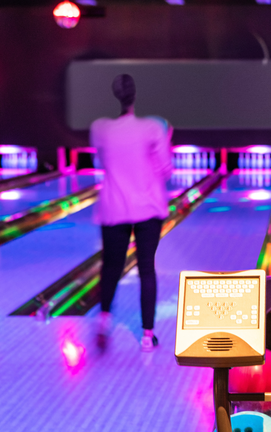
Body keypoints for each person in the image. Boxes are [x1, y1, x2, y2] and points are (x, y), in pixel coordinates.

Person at [90, 74, 173, 352]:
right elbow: (165, 170)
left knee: (111, 267)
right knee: (146, 269)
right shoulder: (154, 127)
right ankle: (148, 336)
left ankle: (103, 322)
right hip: (148, 207)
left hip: (113, 206)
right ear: (136, 96)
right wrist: (166, 138)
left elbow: (99, 161)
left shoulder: (100, 128)